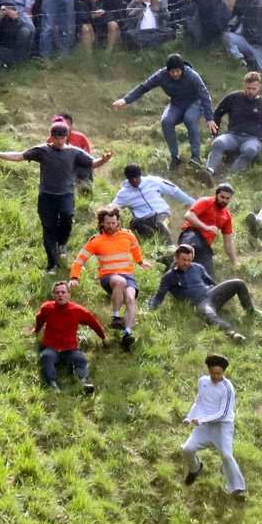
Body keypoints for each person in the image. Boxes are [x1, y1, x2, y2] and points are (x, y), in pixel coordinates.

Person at [0, 123, 113, 274]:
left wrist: (103, 160)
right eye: (57, 138)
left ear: (67, 137)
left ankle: (62, 244)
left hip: (66, 195)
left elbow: (92, 163)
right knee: (49, 229)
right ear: (51, 137)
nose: (59, 141)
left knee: (67, 217)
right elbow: (20, 155)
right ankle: (52, 264)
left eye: (62, 138)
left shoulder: (75, 153)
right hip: (47, 196)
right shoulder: (42, 150)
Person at [68, 205, 151, 352]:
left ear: (118, 221)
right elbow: (79, 260)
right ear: (101, 223)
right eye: (108, 223)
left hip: (127, 274)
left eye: (114, 222)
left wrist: (141, 262)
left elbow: (135, 248)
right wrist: (74, 277)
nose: (111, 226)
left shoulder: (128, 235)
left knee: (131, 299)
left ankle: (127, 333)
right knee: (120, 282)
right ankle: (116, 316)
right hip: (108, 276)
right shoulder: (96, 241)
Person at [150, 244, 262, 341]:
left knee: (238, 282)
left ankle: (251, 311)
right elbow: (158, 297)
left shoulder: (197, 267)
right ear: (176, 258)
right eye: (183, 260)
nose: (186, 263)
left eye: (189, 260)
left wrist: (224, 295)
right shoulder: (169, 277)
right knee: (207, 313)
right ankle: (232, 333)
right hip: (200, 303)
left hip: (211, 293)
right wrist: (150, 311)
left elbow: (212, 282)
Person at [113, 53, 213, 170]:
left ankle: (195, 157)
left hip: (194, 103)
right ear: (167, 70)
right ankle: (175, 157)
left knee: (190, 119)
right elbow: (144, 86)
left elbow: (205, 95)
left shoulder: (192, 76)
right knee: (166, 121)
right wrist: (126, 99)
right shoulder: (161, 75)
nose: (175, 74)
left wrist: (209, 118)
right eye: (172, 72)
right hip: (176, 103)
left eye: (177, 71)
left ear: (182, 69)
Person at [180, 353, 247, 502]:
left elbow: (223, 413)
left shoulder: (228, 389)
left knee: (226, 454)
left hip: (222, 426)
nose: (215, 376)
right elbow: (199, 402)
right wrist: (189, 418)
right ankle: (195, 469)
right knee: (187, 449)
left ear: (223, 372)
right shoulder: (203, 381)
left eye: (218, 373)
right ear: (208, 370)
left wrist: (202, 420)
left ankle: (237, 489)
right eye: (212, 373)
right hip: (203, 425)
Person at [34, 281, 107, 394]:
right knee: (46, 357)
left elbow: (93, 321)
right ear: (53, 295)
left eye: (63, 292)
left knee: (80, 359)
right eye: (57, 292)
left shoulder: (78, 310)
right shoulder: (46, 308)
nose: (60, 295)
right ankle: (53, 384)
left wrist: (102, 336)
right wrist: (36, 331)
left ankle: (83, 382)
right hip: (51, 347)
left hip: (70, 348)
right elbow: (40, 318)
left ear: (69, 295)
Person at [206, 72, 262, 179]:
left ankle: (230, 176)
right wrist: (213, 134)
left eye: (254, 89)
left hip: (253, 138)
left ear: (259, 87)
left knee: (250, 151)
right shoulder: (233, 98)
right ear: (244, 85)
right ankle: (209, 171)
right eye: (248, 88)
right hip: (233, 135)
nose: (251, 91)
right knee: (218, 143)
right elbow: (218, 113)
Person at [112, 163, 194, 244]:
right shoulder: (123, 193)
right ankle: (155, 244)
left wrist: (191, 202)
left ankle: (170, 246)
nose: (134, 180)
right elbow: (112, 208)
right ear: (127, 178)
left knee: (160, 223)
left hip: (163, 214)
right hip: (144, 220)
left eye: (136, 177)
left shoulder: (152, 181)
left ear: (140, 175)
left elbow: (173, 190)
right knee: (135, 224)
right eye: (131, 178)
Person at [179, 184, 241, 278]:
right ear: (216, 194)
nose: (224, 200)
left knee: (208, 276)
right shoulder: (205, 201)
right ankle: (172, 263)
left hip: (205, 245)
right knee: (192, 249)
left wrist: (235, 261)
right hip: (191, 233)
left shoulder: (227, 215)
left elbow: (228, 242)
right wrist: (206, 227)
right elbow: (188, 215)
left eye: (227, 198)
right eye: (222, 197)